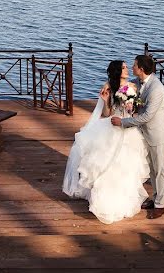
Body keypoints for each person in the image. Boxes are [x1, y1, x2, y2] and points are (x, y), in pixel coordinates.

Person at [62, 60, 150, 224]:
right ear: (118, 71)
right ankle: (104, 201)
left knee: (127, 165)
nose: (127, 69)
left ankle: (124, 197)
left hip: (127, 127)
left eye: (127, 66)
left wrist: (131, 108)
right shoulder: (109, 86)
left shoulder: (132, 86)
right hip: (112, 127)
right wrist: (104, 100)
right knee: (107, 163)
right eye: (123, 67)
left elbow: (134, 110)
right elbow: (106, 113)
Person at [111, 54, 164, 219]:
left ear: (141, 69)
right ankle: (155, 198)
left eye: (135, 65)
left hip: (156, 133)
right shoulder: (140, 82)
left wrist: (123, 122)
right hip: (145, 133)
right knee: (151, 168)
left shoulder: (156, 89)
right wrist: (108, 86)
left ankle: (160, 205)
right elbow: (126, 87)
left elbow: (147, 117)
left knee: (159, 170)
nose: (132, 67)